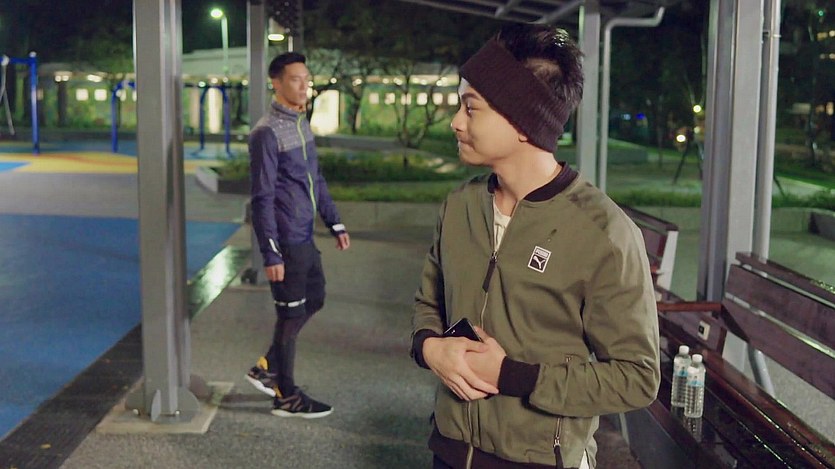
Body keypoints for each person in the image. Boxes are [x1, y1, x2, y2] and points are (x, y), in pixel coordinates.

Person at [411, 24, 660, 468]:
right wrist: (430, 347)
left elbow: (636, 378)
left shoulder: (603, 233)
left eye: (471, 108)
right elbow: (428, 303)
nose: (456, 122)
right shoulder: (460, 205)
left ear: (524, 122)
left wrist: (513, 376)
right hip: (450, 450)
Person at [245, 52, 350, 419]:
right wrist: (270, 253)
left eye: (307, 78)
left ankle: (267, 368)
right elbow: (261, 198)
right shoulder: (266, 133)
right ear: (276, 83)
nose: (305, 85)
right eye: (295, 79)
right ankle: (286, 396)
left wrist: (334, 222)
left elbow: (315, 178)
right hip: (286, 240)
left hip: (304, 235)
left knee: (315, 298)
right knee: (289, 316)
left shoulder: (301, 124)